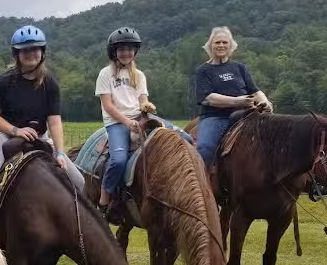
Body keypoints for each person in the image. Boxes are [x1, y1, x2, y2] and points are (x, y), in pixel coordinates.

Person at [0, 25, 84, 205]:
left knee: (78, 180)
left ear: (42, 52)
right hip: (2, 134)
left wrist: (60, 152)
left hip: (39, 136)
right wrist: (16, 130)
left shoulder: (50, 84)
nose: (31, 53)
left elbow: (54, 122)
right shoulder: (3, 81)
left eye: (35, 49)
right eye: (25, 50)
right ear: (17, 54)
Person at [95, 27, 191, 216]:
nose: (126, 53)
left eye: (130, 49)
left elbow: (143, 99)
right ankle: (103, 202)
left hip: (140, 117)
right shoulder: (105, 74)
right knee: (119, 161)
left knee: (186, 138)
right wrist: (126, 122)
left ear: (135, 51)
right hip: (116, 122)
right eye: (122, 49)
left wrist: (147, 106)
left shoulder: (139, 75)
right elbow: (107, 105)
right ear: (114, 51)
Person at [193, 26, 273, 168]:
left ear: (231, 46)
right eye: (217, 42)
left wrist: (265, 101)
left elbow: (255, 91)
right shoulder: (203, 71)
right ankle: (201, 184)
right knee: (204, 148)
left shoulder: (239, 68)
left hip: (246, 115)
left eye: (225, 42)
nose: (221, 45)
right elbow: (208, 98)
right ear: (210, 46)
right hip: (216, 117)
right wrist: (237, 101)